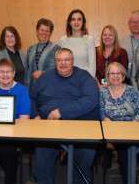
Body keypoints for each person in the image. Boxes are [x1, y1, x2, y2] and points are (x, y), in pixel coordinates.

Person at [31, 48, 99, 184]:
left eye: (67, 60)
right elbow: (32, 97)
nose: (63, 63)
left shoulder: (84, 76)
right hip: (48, 125)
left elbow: (91, 99)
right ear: (55, 62)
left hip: (80, 124)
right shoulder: (45, 77)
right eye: (59, 60)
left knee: (86, 152)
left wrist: (61, 112)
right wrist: (36, 115)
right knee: (42, 152)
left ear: (73, 61)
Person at [100, 62, 139, 184]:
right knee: (125, 152)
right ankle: (129, 180)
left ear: (123, 75)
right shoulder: (103, 92)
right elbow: (100, 111)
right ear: (107, 76)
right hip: (113, 132)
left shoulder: (132, 91)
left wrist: (135, 122)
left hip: (133, 129)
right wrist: (105, 119)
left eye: (118, 73)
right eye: (112, 73)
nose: (115, 76)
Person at [59, 9, 96, 77]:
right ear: (69, 22)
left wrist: (89, 82)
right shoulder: (62, 40)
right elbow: (60, 64)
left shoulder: (89, 40)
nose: (76, 22)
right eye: (73, 19)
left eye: (79, 19)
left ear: (83, 22)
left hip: (84, 79)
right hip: (66, 80)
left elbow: (92, 66)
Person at [26, 18, 60, 88]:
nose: (44, 33)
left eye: (47, 31)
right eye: (42, 30)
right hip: (32, 89)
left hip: (50, 88)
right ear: (37, 31)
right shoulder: (31, 49)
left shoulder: (56, 49)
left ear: (50, 33)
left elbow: (60, 69)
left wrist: (44, 73)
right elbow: (27, 71)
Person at [120, 10, 139, 77]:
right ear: (128, 24)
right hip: (126, 81)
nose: (135, 24)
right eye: (132, 22)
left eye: (138, 22)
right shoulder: (122, 42)